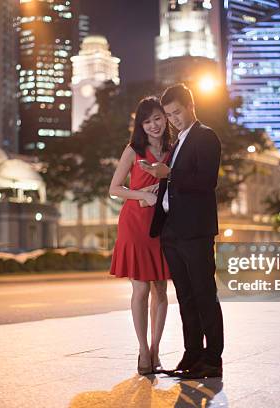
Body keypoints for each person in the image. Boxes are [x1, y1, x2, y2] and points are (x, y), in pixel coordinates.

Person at [142, 84, 224, 379]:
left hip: (195, 230)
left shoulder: (205, 137)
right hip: (172, 229)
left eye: (176, 112)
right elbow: (174, 184)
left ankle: (213, 360)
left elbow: (206, 181)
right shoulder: (177, 143)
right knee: (186, 296)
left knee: (204, 294)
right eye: (168, 115)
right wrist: (158, 180)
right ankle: (192, 354)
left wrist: (170, 174)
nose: (173, 119)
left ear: (191, 106)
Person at [108, 97, 173, 375]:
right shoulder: (134, 150)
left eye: (157, 118)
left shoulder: (174, 148)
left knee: (161, 288)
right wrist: (142, 194)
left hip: (165, 225)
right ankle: (143, 351)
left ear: (165, 118)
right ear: (141, 125)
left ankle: (157, 349)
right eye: (147, 121)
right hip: (135, 223)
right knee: (141, 289)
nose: (153, 125)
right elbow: (115, 188)